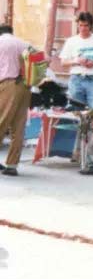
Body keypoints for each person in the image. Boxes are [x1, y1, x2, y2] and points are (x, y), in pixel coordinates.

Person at [58, 12, 93, 109]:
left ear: (90, 25)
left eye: (86, 25)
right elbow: (63, 62)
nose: (83, 28)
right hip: (76, 79)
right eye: (80, 25)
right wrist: (77, 61)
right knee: (75, 112)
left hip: (92, 79)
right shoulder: (71, 41)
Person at [0, 25, 33, 176]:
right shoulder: (24, 43)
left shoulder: (1, 43)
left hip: (8, 84)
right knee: (18, 127)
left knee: (2, 121)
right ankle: (12, 165)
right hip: (25, 86)